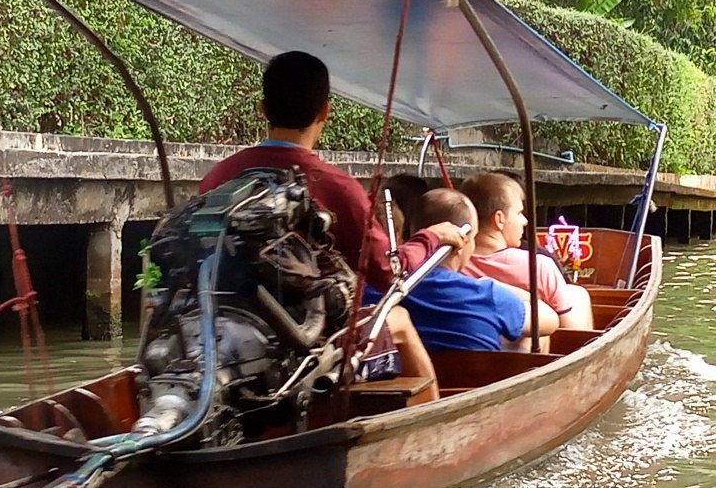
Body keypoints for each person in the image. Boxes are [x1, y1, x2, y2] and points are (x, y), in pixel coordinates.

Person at [200, 51, 456, 388]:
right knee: (401, 320)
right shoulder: (336, 186)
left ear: (263, 109)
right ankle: (431, 430)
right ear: (325, 111)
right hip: (311, 343)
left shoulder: (218, 177)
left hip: (219, 334)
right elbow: (387, 272)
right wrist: (433, 236)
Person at [400, 188, 558, 353]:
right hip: (486, 378)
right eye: (474, 238)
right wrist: (492, 284)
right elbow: (550, 320)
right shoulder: (486, 294)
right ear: (461, 242)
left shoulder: (383, 290)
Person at [459, 170, 595, 330]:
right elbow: (571, 334)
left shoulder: (450, 266)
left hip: (469, 344)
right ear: (499, 219)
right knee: (579, 294)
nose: (525, 221)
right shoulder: (539, 266)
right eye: (519, 213)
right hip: (533, 350)